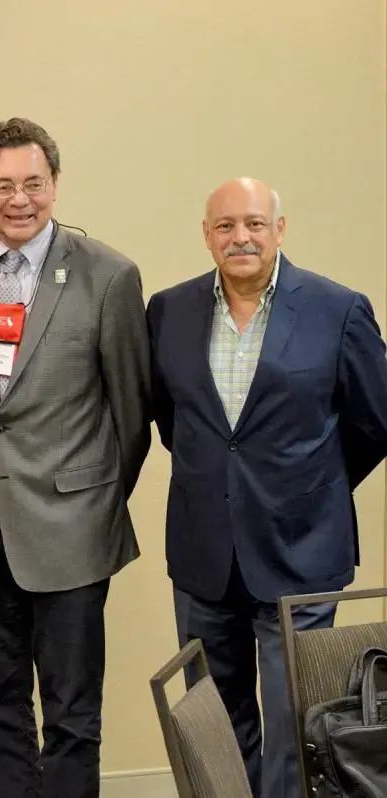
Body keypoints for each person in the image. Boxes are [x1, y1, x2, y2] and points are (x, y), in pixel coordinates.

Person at [0, 117, 151, 798]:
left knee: (72, 719)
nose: (19, 199)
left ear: (55, 185)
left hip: (71, 539)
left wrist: (85, 497)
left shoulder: (109, 276)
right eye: (2, 186)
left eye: (33, 183)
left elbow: (132, 414)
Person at [147, 177, 387, 798]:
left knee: (298, 725)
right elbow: (177, 423)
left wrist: (309, 485)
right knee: (217, 726)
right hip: (204, 554)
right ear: (206, 236)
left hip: (301, 551)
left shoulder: (338, 308)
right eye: (225, 226)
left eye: (254, 223)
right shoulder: (169, 311)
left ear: (280, 230)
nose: (241, 237)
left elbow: (375, 422)